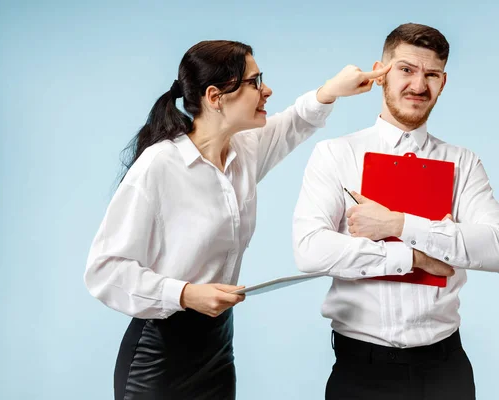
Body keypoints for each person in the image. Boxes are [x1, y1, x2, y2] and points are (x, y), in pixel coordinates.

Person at [84, 40, 391, 399]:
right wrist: (185, 293)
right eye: (255, 81)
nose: (267, 90)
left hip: (216, 347)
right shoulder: (159, 166)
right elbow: (104, 269)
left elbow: (293, 123)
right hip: (160, 356)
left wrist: (331, 90)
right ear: (215, 96)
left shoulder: (243, 149)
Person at [293, 23, 499, 400]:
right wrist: (416, 256)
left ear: (443, 83)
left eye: (431, 75)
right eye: (407, 70)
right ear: (381, 74)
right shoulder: (336, 154)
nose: (418, 85)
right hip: (360, 371)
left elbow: (498, 249)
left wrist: (398, 223)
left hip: (446, 368)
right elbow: (310, 250)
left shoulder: (463, 163)